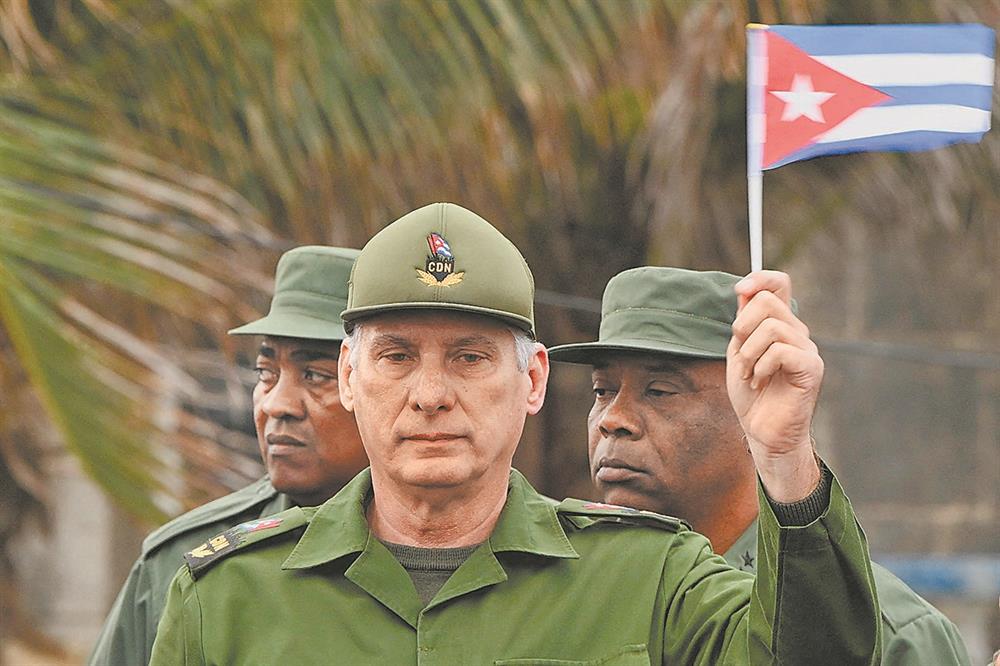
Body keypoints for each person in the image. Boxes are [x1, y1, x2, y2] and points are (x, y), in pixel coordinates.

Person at [150, 202, 881, 664]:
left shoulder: (648, 580)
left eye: (469, 358)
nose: (430, 396)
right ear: (349, 376)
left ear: (532, 380)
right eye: (396, 357)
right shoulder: (230, 598)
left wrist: (785, 457)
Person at [548, 265, 972, 665]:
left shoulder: (890, 633)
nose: (612, 419)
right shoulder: (575, 601)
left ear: (759, 400)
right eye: (602, 390)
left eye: (659, 390)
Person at [88, 245, 368, 666]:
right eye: (266, 373)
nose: (276, 404)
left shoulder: (452, 547)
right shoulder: (183, 561)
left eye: (315, 375)